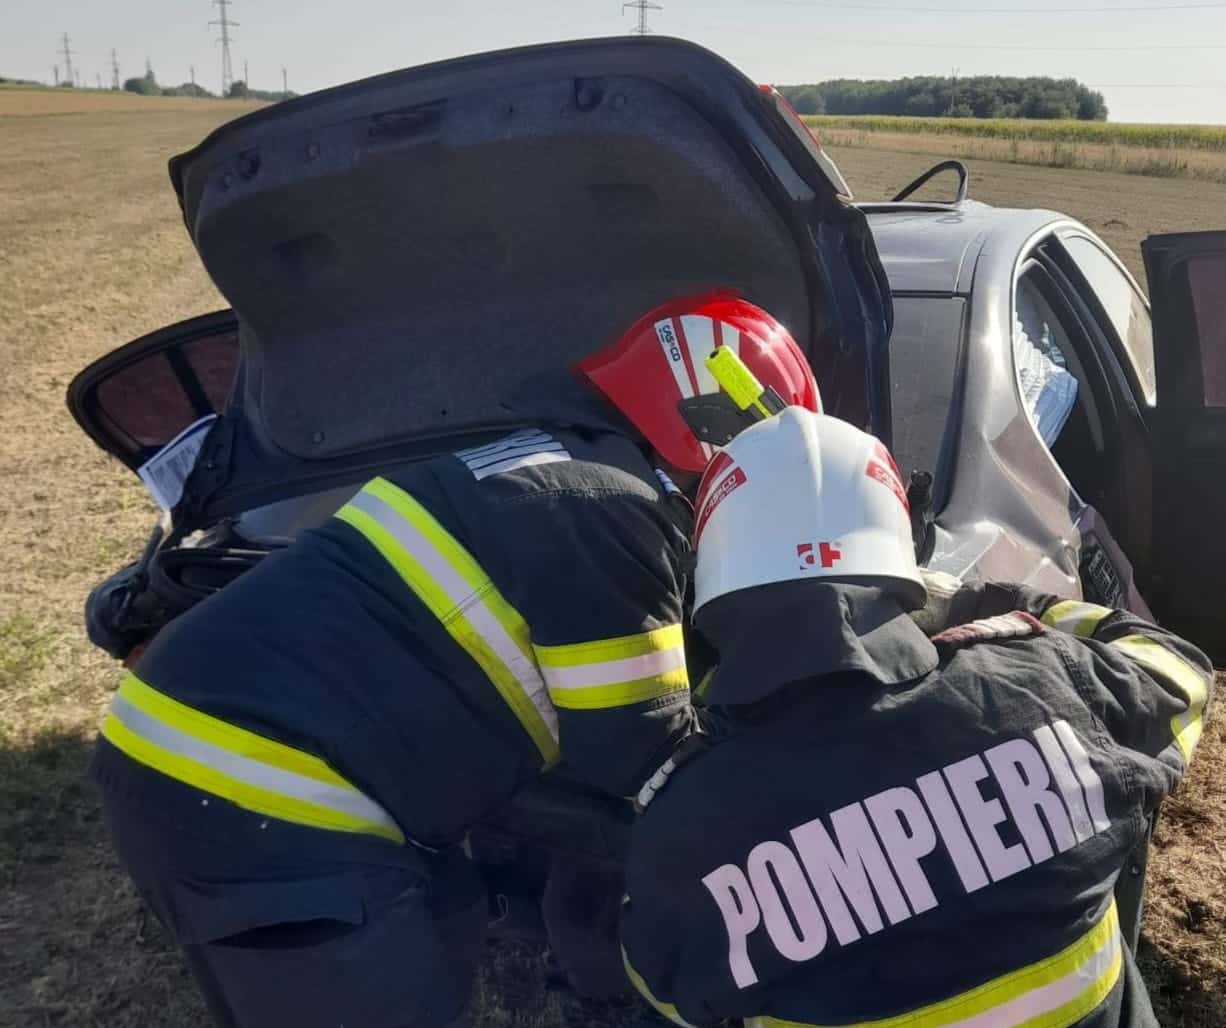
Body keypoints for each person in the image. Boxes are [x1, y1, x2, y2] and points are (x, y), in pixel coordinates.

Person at [91, 293, 821, 1028]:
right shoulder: (611, 510)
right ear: (713, 433)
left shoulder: (543, 464)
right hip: (259, 796)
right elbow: (638, 756)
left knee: (445, 918)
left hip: (189, 744)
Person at [621, 407, 1213, 1028]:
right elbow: (1180, 671)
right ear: (901, 560)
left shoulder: (690, 829)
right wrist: (1001, 603)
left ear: (714, 579)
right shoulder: (1047, 691)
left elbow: (665, 986)